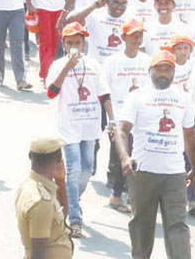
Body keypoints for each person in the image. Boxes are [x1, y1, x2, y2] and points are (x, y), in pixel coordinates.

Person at [115, 49, 195, 259]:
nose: (164, 73)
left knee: (178, 226)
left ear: (174, 72)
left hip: (175, 173)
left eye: (168, 69)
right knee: (142, 224)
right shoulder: (137, 97)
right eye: (159, 69)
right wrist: (125, 157)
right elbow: (121, 130)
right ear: (150, 70)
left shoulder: (184, 98)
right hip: (143, 172)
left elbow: (189, 134)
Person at [46, 22, 114, 238]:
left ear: (84, 44)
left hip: (90, 125)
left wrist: (112, 119)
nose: (74, 46)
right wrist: (67, 68)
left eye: (78, 42)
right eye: (70, 43)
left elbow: (104, 94)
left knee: (88, 169)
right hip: (69, 126)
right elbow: (51, 92)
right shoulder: (57, 65)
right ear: (64, 44)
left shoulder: (94, 65)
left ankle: (69, 198)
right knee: (74, 170)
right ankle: (75, 218)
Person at [100, 18, 151, 213]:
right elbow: (105, 91)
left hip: (141, 117)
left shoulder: (147, 61)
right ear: (123, 37)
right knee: (121, 156)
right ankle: (116, 194)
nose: (137, 39)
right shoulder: (113, 61)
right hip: (121, 116)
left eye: (140, 35)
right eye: (133, 35)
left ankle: (132, 195)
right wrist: (111, 119)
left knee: (138, 156)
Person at [14, 136, 73, 259]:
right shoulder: (41, 200)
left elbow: (61, 220)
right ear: (59, 158)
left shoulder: (32, 185)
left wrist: (60, 181)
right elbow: (38, 254)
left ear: (30, 156)